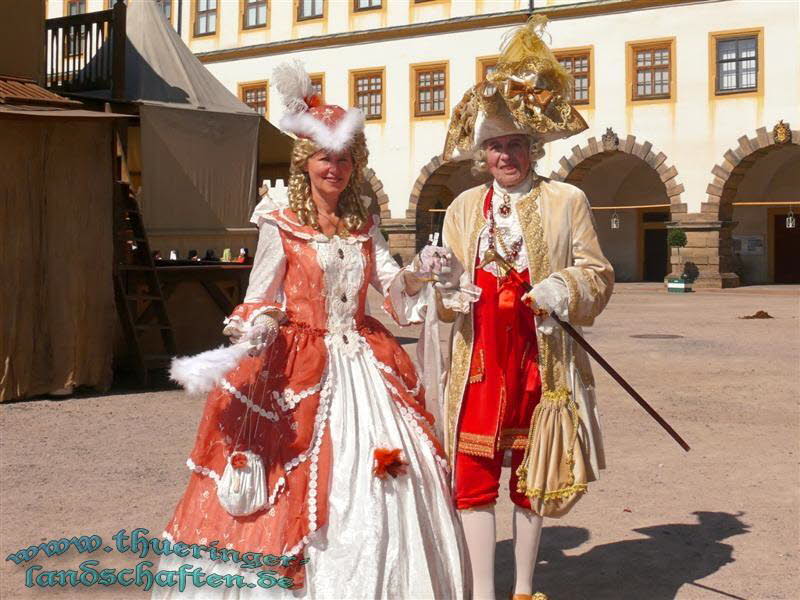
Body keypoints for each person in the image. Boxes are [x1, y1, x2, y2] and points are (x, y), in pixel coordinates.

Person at [153, 61, 468, 599]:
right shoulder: (280, 218)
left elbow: (391, 288)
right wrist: (259, 325)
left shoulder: (364, 222)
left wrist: (423, 270)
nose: (336, 169)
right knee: (288, 478)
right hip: (298, 363)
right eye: (325, 157)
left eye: (345, 159)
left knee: (387, 473)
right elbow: (260, 293)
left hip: (363, 361)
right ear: (306, 161)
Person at [437, 16, 614, 600]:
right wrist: (446, 289)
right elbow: (446, 294)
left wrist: (563, 287)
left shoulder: (569, 200)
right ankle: (483, 593)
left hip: (542, 359)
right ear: (483, 153)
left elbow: (598, 274)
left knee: (533, 478)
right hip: (480, 358)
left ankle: (524, 588)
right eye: (495, 146)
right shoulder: (463, 207)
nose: (505, 155)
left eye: (515, 144)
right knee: (474, 476)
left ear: (533, 147)